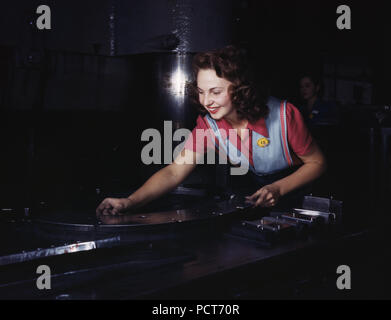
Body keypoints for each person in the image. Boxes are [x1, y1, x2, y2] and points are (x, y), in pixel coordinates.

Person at [96, 46, 327, 215]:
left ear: (240, 89)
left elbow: (317, 163)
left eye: (215, 92)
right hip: (263, 197)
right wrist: (129, 202)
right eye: (201, 91)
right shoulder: (208, 125)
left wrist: (278, 188)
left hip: (302, 196)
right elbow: (175, 171)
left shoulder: (285, 115)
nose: (206, 101)